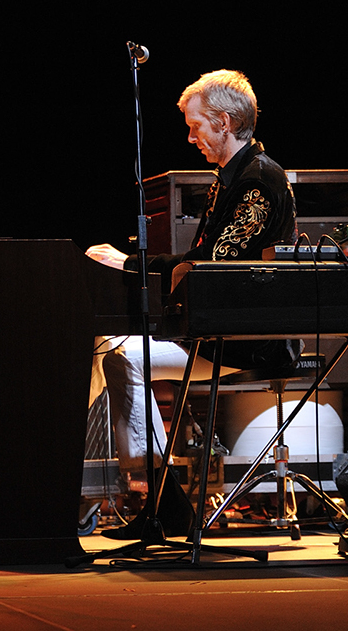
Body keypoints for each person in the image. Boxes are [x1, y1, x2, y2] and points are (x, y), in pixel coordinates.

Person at [86, 70, 297, 527]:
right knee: (106, 347)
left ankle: (157, 496)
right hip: (218, 331)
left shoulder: (258, 181)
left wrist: (131, 265)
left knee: (119, 356)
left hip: (245, 340)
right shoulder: (231, 176)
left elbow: (213, 270)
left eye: (195, 125)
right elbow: (198, 261)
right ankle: (130, 488)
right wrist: (130, 264)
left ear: (224, 122)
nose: (190, 137)